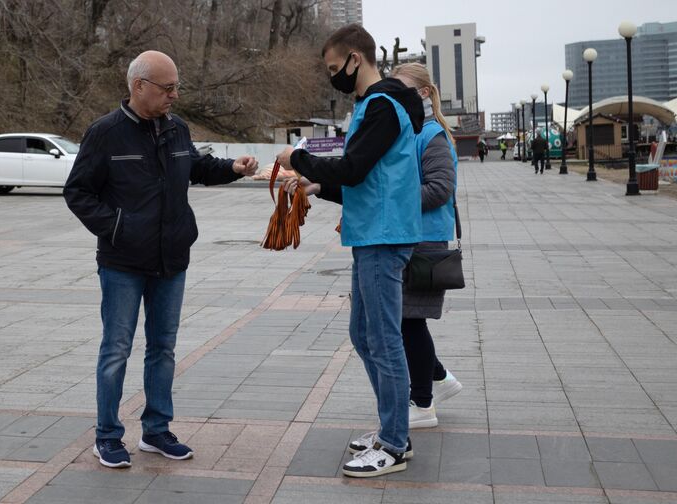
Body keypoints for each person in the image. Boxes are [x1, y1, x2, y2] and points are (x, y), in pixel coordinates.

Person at [63, 50, 258, 469]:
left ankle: (156, 430)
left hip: (172, 259)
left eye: (176, 87)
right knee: (116, 349)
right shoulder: (105, 133)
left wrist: (234, 168)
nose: (174, 95)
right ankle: (107, 436)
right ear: (139, 86)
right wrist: (117, 227)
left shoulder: (177, 129)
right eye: (167, 87)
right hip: (122, 263)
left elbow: (197, 167)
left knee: (163, 348)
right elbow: (77, 192)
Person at [276, 23, 423, 478]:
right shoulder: (375, 106)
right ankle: (392, 428)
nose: (333, 77)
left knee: (382, 339)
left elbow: (355, 169)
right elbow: (369, 178)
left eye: (335, 68)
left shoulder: (381, 105)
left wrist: (296, 158)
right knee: (364, 336)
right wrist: (318, 185)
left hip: (383, 236)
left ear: (356, 59)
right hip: (372, 231)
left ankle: (395, 444)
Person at [390, 63, 463, 430]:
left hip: (425, 241)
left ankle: (423, 404)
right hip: (411, 236)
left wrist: (390, 199)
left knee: (409, 322)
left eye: (402, 87)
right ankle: (439, 379)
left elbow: (439, 189)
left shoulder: (431, 134)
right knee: (408, 320)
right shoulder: (414, 132)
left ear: (421, 92)